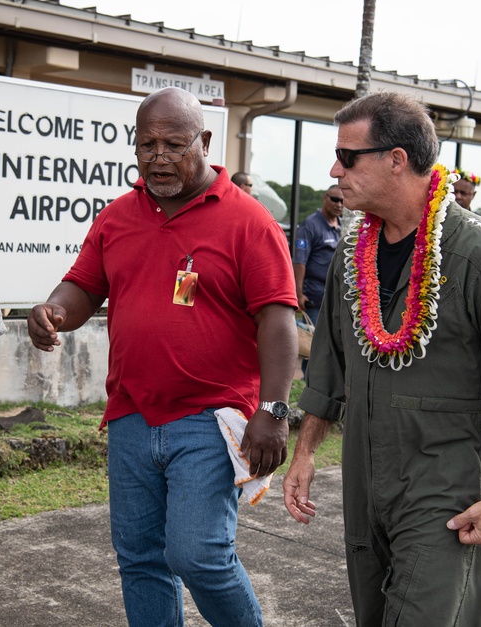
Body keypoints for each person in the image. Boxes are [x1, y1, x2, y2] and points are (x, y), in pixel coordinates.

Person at [282, 92, 481, 626]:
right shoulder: (351, 250)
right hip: (366, 484)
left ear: (396, 159)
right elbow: (330, 364)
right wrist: (307, 451)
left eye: (348, 156)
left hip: (444, 487)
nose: (336, 169)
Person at [27, 87, 297, 627]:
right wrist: (53, 310)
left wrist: (274, 409)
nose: (158, 157)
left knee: (198, 555)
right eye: (146, 144)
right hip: (131, 414)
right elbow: (83, 286)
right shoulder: (118, 217)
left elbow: (277, 319)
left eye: (174, 144)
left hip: (210, 416)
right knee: (141, 560)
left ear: (204, 140)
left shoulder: (248, 221)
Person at [293, 184, 343, 373]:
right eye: (335, 199)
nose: (339, 204)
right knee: (313, 343)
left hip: (334, 296)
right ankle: (309, 383)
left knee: (330, 344)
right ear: (325, 198)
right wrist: (298, 293)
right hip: (314, 295)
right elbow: (300, 261)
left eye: (342, 201)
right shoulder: (311, 224)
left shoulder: (341, 225)